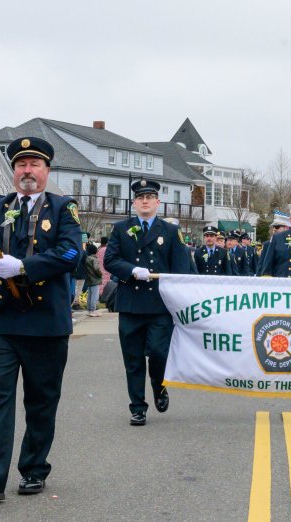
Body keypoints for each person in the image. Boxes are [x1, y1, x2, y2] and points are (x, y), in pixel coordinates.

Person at [0, 136, 82, 501]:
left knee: (40, 402)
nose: (27, 171)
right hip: (2, 323)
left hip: (45, 325)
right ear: (14, 172)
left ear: (46, 171)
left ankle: (34, 469)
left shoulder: (62, 208)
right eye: (21, 165)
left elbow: (71, 253)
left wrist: (25, 266)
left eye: (34, 165)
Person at [104, 179, 194, 427]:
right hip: (131, 304)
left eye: (149, 197)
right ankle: (137, 407)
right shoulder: (122, 229)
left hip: (159, 305)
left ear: (158, 202)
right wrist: (132, 269)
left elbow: (181, 268)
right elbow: (110, 260)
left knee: (158, 353)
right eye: (140, 197)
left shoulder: (170, 231)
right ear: (134, 202)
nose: (145, 201)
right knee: (132, 359)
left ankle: (159, 385)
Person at [83, 243, 103, 317]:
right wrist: (101, 274)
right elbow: (97, 269)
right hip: (95, 279)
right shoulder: (94, 259)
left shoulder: (87, 258)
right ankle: (93, 310)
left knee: (90, 295)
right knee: (94, 295)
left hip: (89, 279)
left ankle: (89, 310)